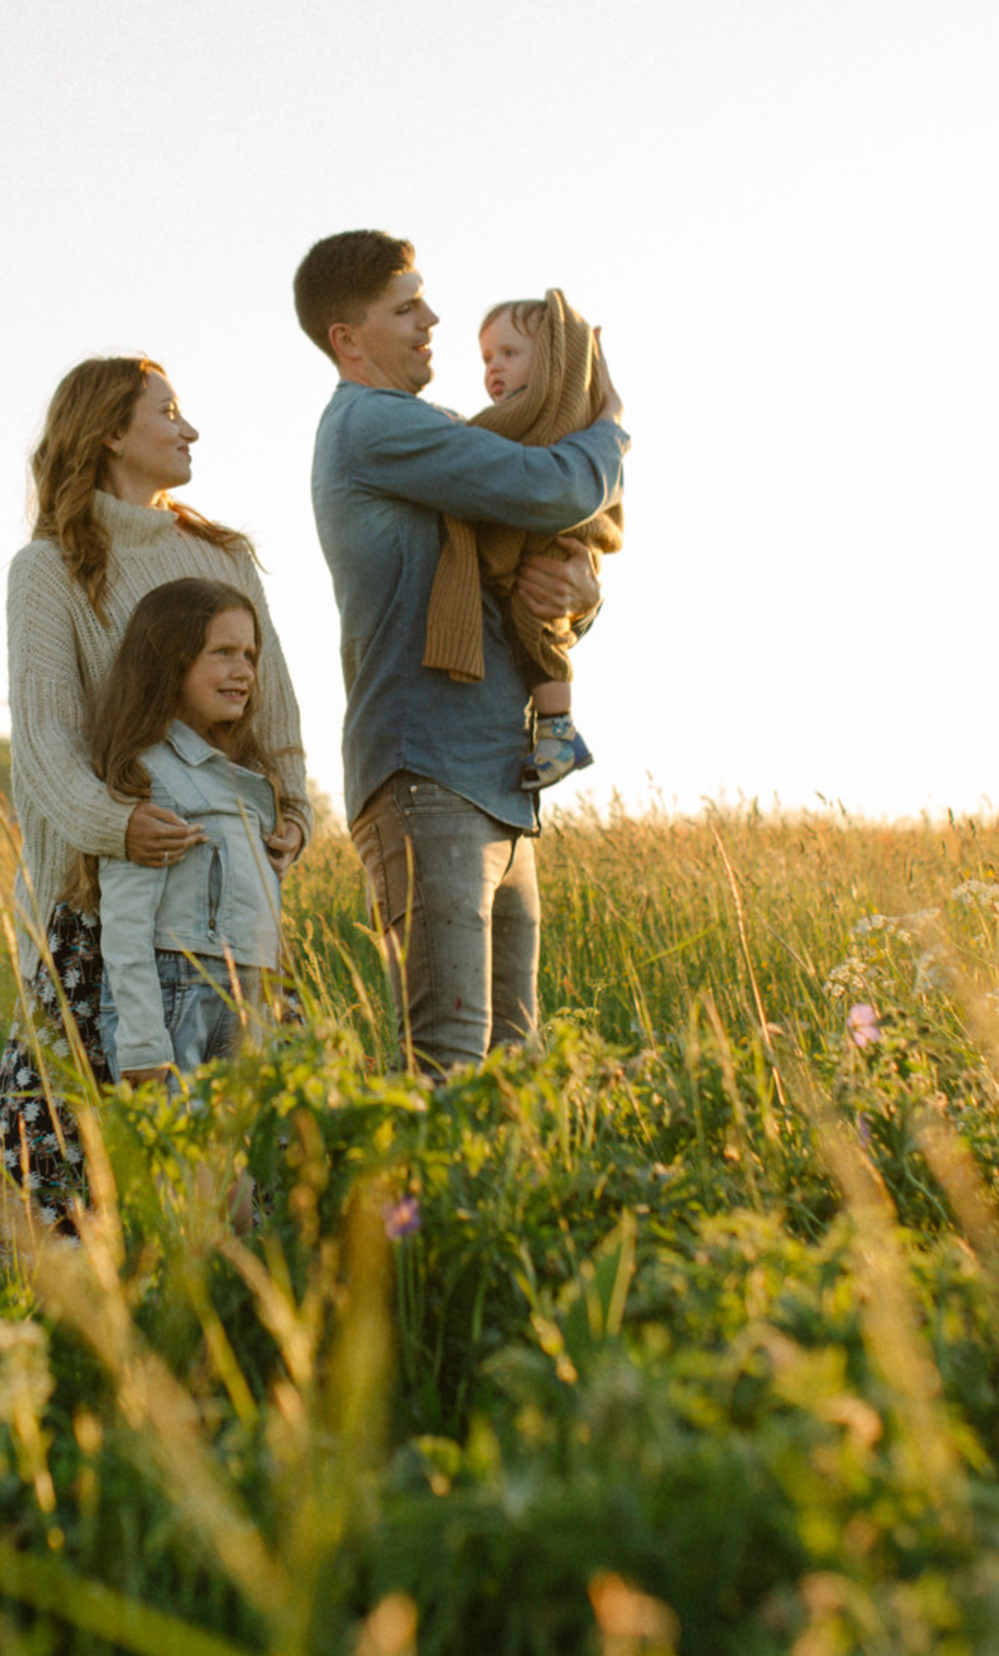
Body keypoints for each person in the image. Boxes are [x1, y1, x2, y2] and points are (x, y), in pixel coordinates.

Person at [295, 230, 628, 1076]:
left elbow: (518, 591)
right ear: (348, 337)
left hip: (496, 782)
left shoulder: (441, 435)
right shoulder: (374, 426)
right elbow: (557, 486)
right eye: (407, 306)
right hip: (426, 776)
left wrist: (581, 595)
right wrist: (611, 423)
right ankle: (414, 1216)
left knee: (511, 1068)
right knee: (448, 1062)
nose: (430, 318)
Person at [0, 356, 312, 1226]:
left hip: (226, 902)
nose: (190, 428)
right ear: (110, 432)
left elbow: (276, 719)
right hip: (99, 901)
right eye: (169, 412)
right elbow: (45, 743)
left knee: (248, 1154)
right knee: (66, 1162)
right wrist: (117, 823)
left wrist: (294, 819)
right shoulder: (48, 570)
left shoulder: (223, 558)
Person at [75, 576, 285, 1086]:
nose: (244, 672)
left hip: (249, 993)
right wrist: (144, 1044)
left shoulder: (239, 777)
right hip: (180, 992)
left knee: (240, 1164)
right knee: (176, 1161)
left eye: (250, 656)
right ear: (173, 661)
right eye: (223, 653)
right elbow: (126, 926)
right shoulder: (151, 773)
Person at [425, 290, 624, 794]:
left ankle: (559, 728)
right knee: (534, 625)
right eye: (487, 358)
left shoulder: (542, 414)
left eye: (510, 354)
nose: (494, 369)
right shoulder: (535, 418)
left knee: (536, 627)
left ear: (555, 362)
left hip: (556, 546)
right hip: (540, 552)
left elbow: (553, 483)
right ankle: (554, 728)